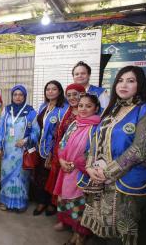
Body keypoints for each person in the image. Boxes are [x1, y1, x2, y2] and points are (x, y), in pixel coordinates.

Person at [80, 66, 146, 245]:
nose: (124, 85)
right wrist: (89, 167)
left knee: (124, 232)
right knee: (103, 229)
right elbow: (95, 138)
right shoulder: (111, 110)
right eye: (120, 80)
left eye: (131, 81)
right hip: (100, 180)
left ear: (140, 85)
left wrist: (107, 173)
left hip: (128, 181)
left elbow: (140, 149)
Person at [53, 94, 101, 245]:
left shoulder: (97, 128)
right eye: (81, 106)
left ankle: (80, 235)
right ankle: (73, 230)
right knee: (67, 201)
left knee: (80, 205)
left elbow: (94, 152)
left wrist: (75, 165)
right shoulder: (75, 124)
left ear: (96, 108)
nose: (83, 109)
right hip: (66, 170)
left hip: (83, 174)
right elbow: (62, 143)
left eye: (88, 106)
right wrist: (61, 160)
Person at [45, 83, 86, 229]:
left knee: (76, 193)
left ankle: (77, 226)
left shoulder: (88, 113)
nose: (72, 98)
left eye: (76, 94)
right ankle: (64, 220)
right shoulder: (66, 111)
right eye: (69, 95)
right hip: (61, 156)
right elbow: (59, 135)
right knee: (62, 190)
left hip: (78, 160)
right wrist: (56, 156)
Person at [0, 85, 39, 212]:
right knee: (6, 176)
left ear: (25, 96)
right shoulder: (6, 110)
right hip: (7, 151)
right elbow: (0, 130)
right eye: (15, 94)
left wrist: (25, 140)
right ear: (12, 96)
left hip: (22, 151)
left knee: (21, 177)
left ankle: (20, 203)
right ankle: (5, 201)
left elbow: (36, 132)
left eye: (21, 95)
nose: (18, 97)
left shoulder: (31, 112)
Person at [33, 80, 68, 216]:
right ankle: (41, 201)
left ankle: (52, 204)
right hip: (39, 148)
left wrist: (53, 152)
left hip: (53, 150)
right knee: (40, 176)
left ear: (59, 91)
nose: (50, 92)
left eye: (54, 89)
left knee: (51, 177)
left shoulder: (63, 108)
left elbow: (62, 132)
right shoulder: (43, 106)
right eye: (48, 89)